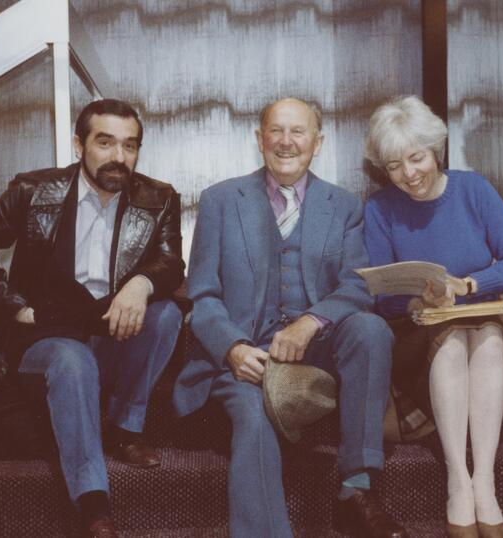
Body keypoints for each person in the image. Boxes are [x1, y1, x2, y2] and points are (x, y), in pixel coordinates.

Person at [173, 97, 407, 538]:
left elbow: (357, 286)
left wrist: (311, 322)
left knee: (370, 329)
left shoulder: (343, 205)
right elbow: (202, 296)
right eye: (275, 131)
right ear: (259, 139)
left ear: (317, 143)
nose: (286, 142)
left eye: (298, 132)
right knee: (254, 415)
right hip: (245, 359)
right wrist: (232, 348)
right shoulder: (221, 200)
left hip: (318, 352)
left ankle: (357, 488)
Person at [0, 99, 185, 538]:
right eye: (106, 142)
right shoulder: (33, 191)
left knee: (166, 315)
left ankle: (124, 427)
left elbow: (170, 264)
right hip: (43, 332)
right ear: (79, 145)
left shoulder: (159, 198)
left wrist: (141, 285)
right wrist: (11, 303)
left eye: (130, 145)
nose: (119, 157)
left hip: (109, 327)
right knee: (72, 360)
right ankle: (93, 504)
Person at [363, 96, 503, 538]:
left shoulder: (473, 189)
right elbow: (381, 295)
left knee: (488, 337)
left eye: (417, 158)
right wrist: (418, 303)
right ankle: (458, 480)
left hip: (485, 319)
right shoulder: (379, 209)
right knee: (454, 341)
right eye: (395, 166)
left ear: (435, 149)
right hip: (421, 336)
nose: (410, 174)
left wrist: (472, 284)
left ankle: (485, 482)